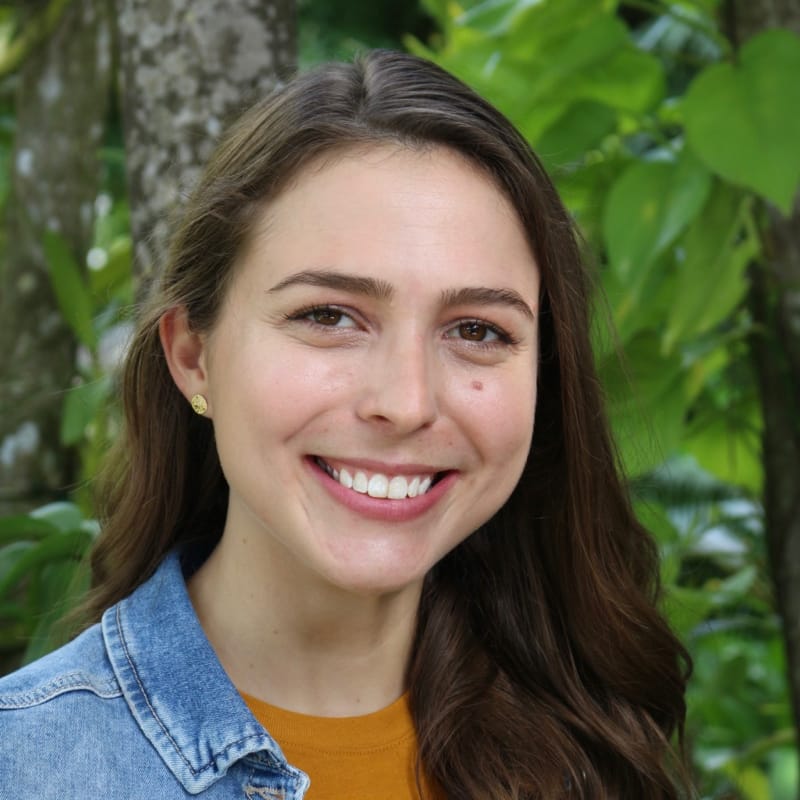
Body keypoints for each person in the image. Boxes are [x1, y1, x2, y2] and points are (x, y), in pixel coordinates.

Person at [0, 50, 691, 799]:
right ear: (194, 357)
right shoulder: (28, 767)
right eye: (329, 316)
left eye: (477, 330)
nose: (407, 401)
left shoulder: (595, 747)